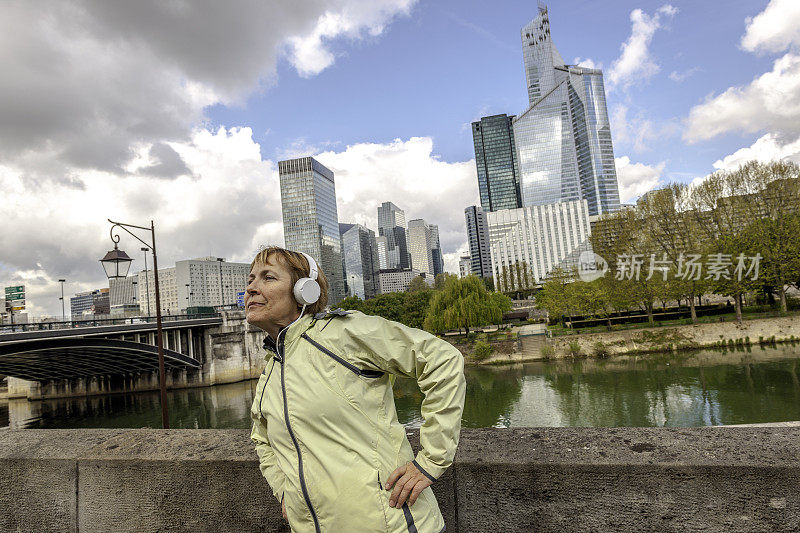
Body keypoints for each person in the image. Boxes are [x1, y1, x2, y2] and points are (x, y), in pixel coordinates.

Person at [247, 246, 465, 532]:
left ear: (304, 291)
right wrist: (284, 491)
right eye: (251, 279)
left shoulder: (343, 334)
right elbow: (261, 438)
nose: (251, 287)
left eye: (267, 277)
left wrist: (431, 461)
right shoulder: (272, 366)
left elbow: (442, 360)